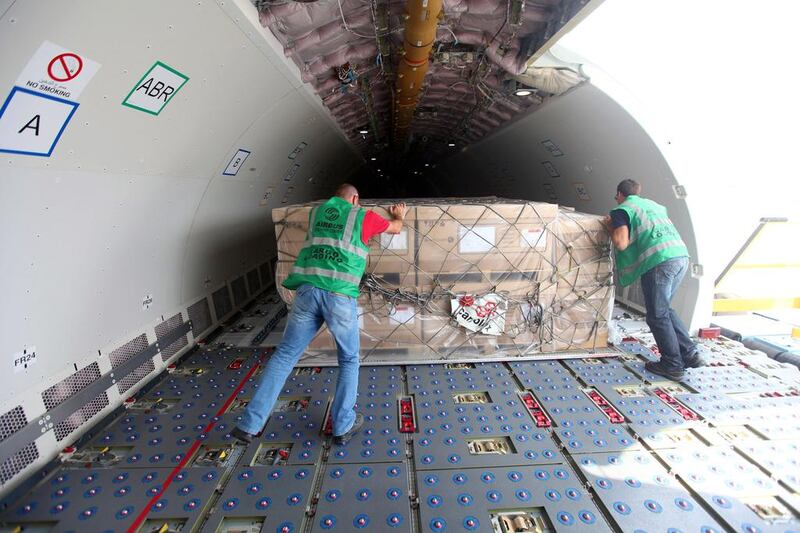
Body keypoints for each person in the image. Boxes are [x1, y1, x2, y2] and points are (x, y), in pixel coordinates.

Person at [230, 184, 407, 446]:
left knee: (285, 356)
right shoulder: (363, 216)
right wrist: (399, 216)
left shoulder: (316, 213)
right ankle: (342, 426)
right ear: (355, 199)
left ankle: (249, 424)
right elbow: (395, 229)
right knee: (348, 359)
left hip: (307, 292)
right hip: (338, 295)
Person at [603, 179, 703, 381]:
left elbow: (621, 243)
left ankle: (672, 365)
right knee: (665, 310)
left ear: (620, 194)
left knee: (656, 316)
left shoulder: (623, 210)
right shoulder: (654, 206)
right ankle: (690, 353)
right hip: (681, 257)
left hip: (660, 262)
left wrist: (610, 226)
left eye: (616, 196)